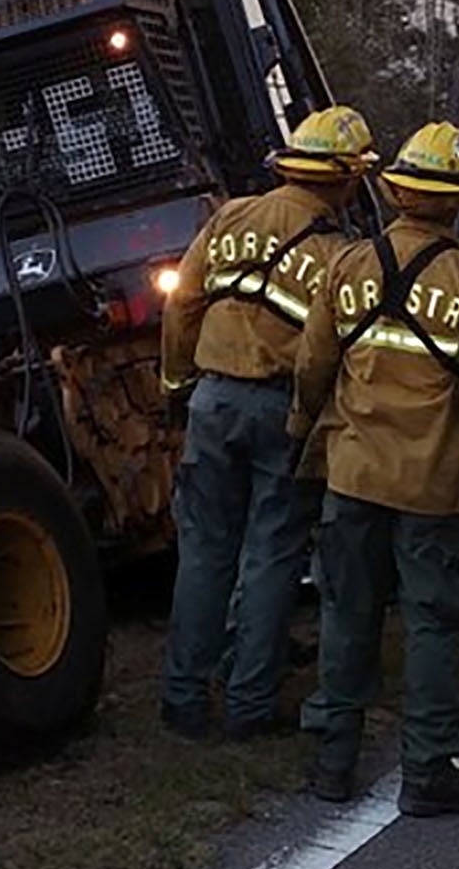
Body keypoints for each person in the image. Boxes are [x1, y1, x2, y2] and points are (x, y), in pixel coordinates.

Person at [294, 122, 459, 815]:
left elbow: (313, 367)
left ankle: (332, 761)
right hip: (436, 482)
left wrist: (301, 431)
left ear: (395, 192)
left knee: (347, 613)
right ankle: (426, 772)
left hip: (354, 474)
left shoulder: (348, 265)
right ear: (458, 201)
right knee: (430, 621)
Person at [158, 105, 375, 741]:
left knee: (202, 555)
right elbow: (333, 349)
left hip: (212, 401)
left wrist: (178, 383)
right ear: (345, 178)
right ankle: (251, 704)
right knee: (271, 555)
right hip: (282, 409)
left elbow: (183, 305)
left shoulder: (230, 216)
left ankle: (183, 700)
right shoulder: (340, 253)